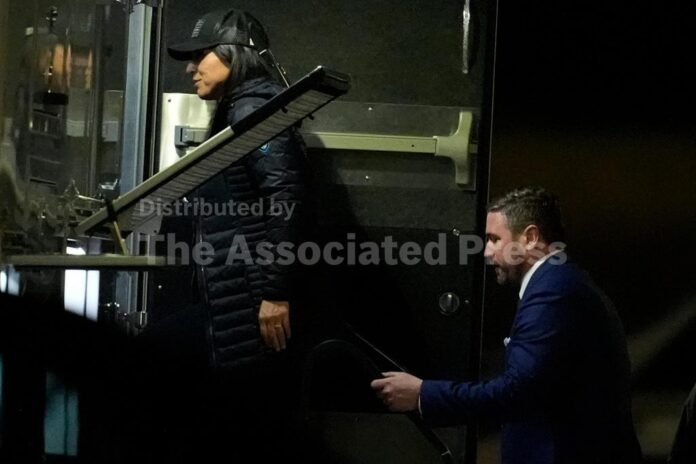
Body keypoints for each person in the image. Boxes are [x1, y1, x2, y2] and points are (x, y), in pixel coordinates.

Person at [371, 187, 643, 464]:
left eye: (494, 239)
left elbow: (517, 391)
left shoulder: (553, 292)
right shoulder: (558, 283)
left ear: (530, 238)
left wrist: (422, 394)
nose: (486, 252)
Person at [145, 8, 306, 462]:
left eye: (201, 55)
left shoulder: (254, 109)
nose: (190, 68)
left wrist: (275, 293)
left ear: (235, 55)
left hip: (250, 299)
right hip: (236, 296)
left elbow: (286, 198)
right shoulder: (243, 107)